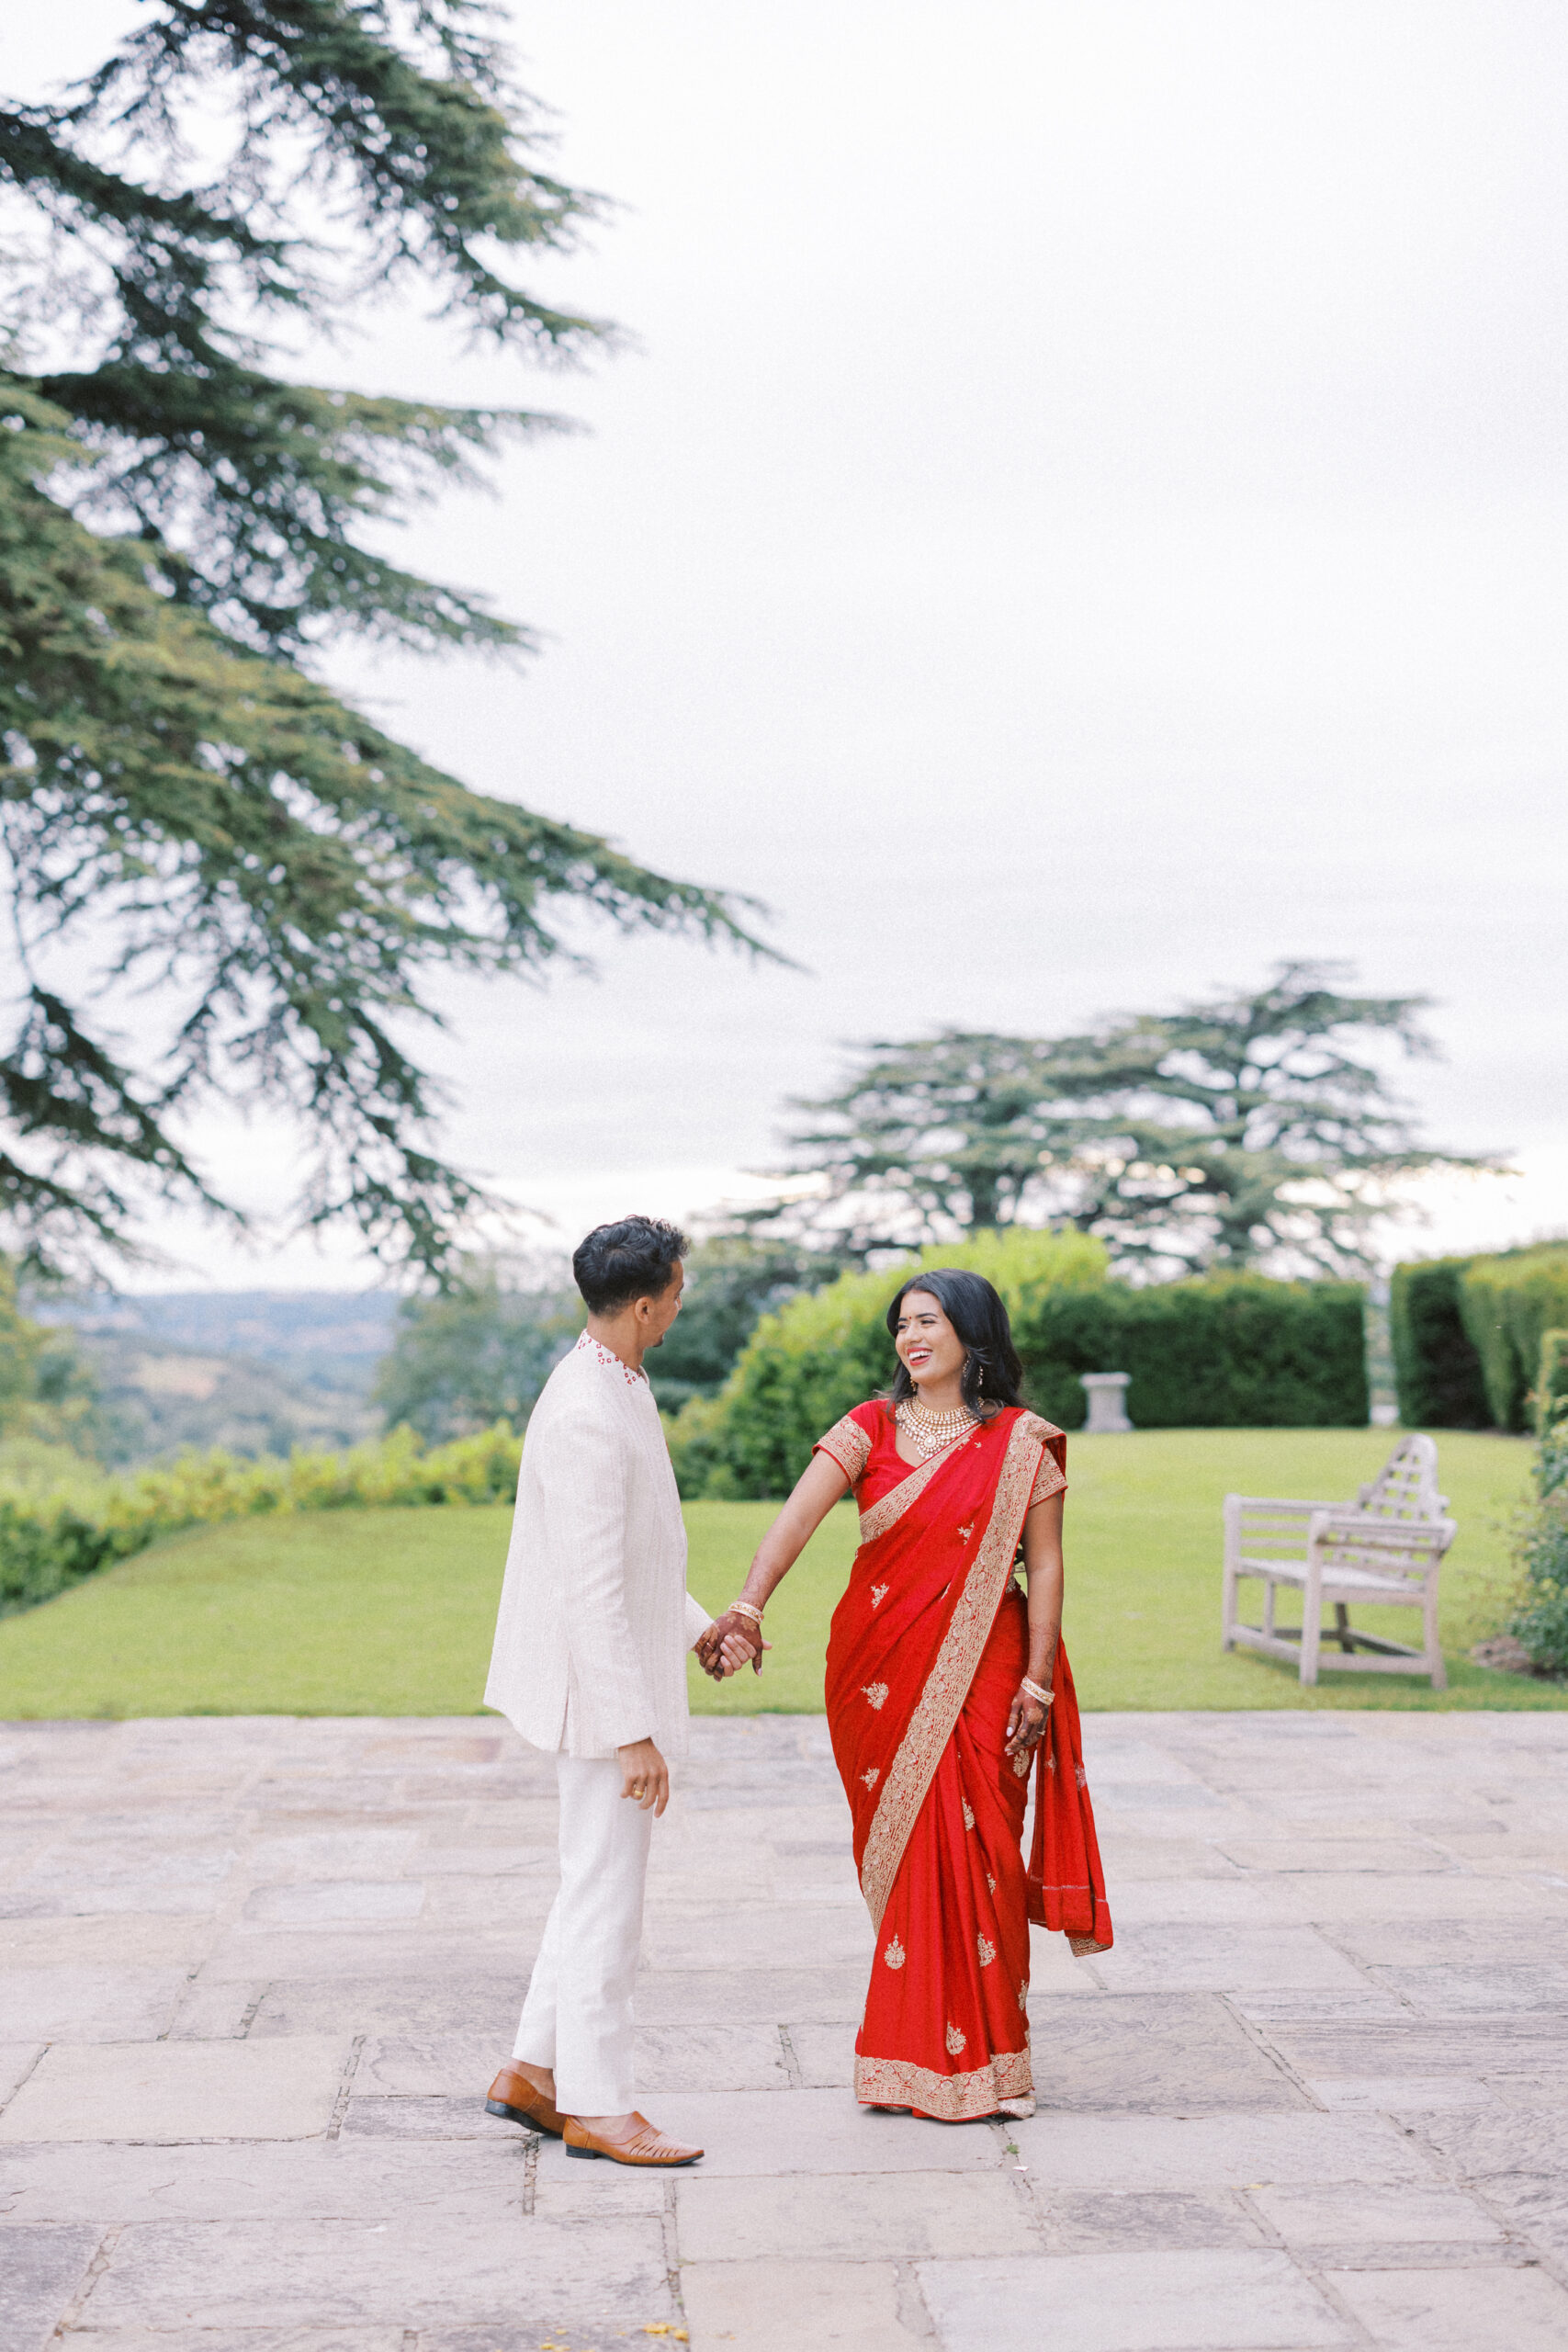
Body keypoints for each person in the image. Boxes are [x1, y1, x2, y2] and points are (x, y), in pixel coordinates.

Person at [697, 1268, 1112, 2122]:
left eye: (927, 1321)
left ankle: (992, 2062)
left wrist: (1037, 1677)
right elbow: (795, 1520)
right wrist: (747, 1603)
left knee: (985, 1850)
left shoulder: (1022, 1443)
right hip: (879, 1666)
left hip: (990, 1665)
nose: (910, 1338)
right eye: (900, 1326)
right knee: (913, 1850)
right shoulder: (866, 1428)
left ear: (971, 1331)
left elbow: (1049, 1565)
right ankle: (910, 2059)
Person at [482, 1216, 758, 2166]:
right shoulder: (589, 1412)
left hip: (610, 1682)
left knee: (589, 1883)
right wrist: (630, 1733)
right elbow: (589, 1592)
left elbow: (636, 1558)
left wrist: (699, 1631)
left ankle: (533, 2071)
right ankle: (597, 2105)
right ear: (645, 1303)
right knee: (610, 1901)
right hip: (594, 1700)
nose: (681, 1305)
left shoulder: (615, 1380)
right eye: (677, 1293)